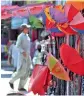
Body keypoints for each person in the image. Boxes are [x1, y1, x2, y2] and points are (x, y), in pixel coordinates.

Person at [9, 23, 32, 91]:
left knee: (27, 71)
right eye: (27, 28)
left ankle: (21, 86)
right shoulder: (20, 36)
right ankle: (11, 81)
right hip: (22, 55)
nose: (28, 29)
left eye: (28, 28)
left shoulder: (27, 36)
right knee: (22, 70)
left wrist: (28, 54)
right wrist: (22, 51)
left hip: (28, 55)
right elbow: (17, 46)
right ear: (23, 29)